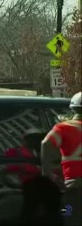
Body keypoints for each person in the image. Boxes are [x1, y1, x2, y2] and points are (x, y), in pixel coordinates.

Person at [41, 91, 82, 226]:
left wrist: (48, 174)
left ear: (72, 109)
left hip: (73, 187)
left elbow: (46, 144)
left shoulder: (63, 128)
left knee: (68, 216)